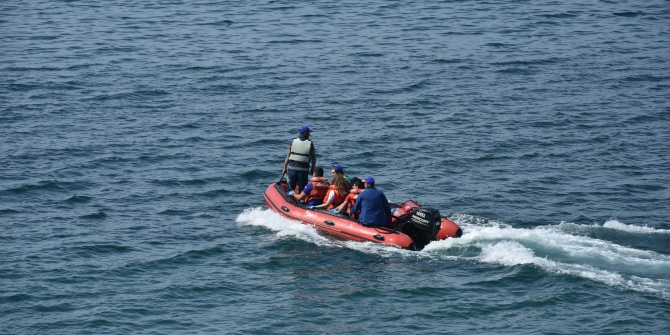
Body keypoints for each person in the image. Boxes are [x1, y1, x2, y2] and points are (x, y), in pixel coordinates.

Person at [282, 125, 316, 193]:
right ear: (305, 133)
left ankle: (289, 200)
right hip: (303, 170)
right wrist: (312, 169)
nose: (309, 134)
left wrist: (284, 168)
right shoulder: (310, 143)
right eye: (309, 132)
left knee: (291, 188)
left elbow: (288, 156)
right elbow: (313, 158)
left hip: (292, 169)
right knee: (302, 190)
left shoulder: (293, 142)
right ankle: (301, 202)